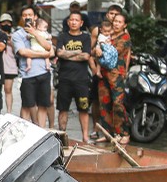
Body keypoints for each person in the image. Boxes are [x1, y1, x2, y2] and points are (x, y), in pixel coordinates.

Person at [93, 12, 132, 143]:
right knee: (104, 103)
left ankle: (124, 133)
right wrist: (96, 50)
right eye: (115, 21)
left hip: (117, 75)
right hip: (103, 73)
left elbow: (115, 52)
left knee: (117, 103)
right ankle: (107, 133)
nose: (116, 24)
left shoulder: (125, 37)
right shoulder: (107, 35)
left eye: (120, 22)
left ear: (124, 25)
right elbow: (94, 50)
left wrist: (100, 50)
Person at [55, 11, 93, 142]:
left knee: (84, 108)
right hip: (64, 79)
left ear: (81, 23)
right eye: (71, 20)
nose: (74, 22)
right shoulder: (62, 36)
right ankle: (61, 136)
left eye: (77, 20)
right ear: (68, 22)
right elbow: (59, 53)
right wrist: (77, 52)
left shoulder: (86, 37)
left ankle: (85, 137)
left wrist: (68, 53)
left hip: (81, 80)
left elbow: (86, 56)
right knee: (62, 109)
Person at [12, 8, 54, 127]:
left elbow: (50, 50)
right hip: (27, 75)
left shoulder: (42, 32)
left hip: (44, 73)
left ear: (35, 17)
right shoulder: (17, 35)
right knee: (27, 105)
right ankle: (22, 133)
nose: (27, 17)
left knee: (43, 105)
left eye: (30, 15)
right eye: (24, 15)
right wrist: (44, 54)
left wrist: (34, 33)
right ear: (21, 17)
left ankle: (41, 131)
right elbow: (23, 52)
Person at [0, 13, 17, 114]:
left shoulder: (14, 36)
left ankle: (9, 112)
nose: (6, 24)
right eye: (4, 22)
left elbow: (18, 51)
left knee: (8, 89)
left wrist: (10, 42)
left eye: (8, 22)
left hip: (10, 66)